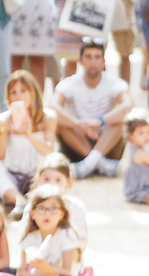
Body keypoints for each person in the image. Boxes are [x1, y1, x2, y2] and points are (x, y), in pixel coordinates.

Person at [0, 184, 79, 276]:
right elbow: (21, 273)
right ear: (32, 213)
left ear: (62, 214)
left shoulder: (66, 235)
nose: (47, 213)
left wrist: (47, 269)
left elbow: (67, 271)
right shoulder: (29, 236)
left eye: (53, 208)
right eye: (41, 208)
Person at [54, 39, 132, 178]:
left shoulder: (113, 82)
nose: (93, 62)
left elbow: (128, 105)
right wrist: (78, 124)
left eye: (97, 57)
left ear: (103, 61)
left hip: (107, 139)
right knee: (59, 122)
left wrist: (99, 121)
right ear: (80, 60)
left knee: (121, 121)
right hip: (78, 140)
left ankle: (89, 163)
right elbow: (52, 106)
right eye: (88, 57)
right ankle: (99, 163)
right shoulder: (70, 83)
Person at [0, 70, 57, 212]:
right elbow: (0, 156)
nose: (18, 95)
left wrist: (29, 135)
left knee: (57, 167)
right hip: (13, 175)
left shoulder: (48, 117)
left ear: (33, 93)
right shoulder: (4, 119)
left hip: (39, 176)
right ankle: (19, 200)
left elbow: (49, 152)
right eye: (13, 92)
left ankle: (36, 199)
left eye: (23, 91)